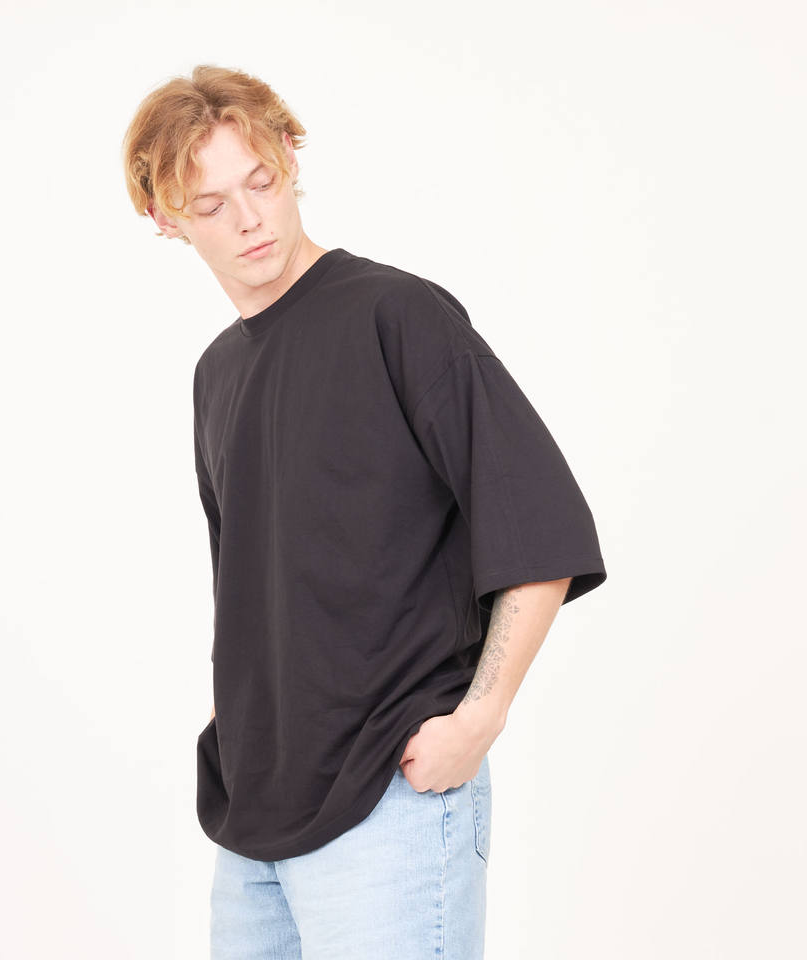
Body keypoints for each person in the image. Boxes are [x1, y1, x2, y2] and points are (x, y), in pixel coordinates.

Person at [122, 64, 607, 960]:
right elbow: (251, 588)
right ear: (165, 217)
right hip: (252, 822)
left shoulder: (397, 315)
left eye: (261, 181)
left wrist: (480, 719)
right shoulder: (217, 373)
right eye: (212, 203)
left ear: (290, 157)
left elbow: (540, 529)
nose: (250, 218)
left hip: (391, 802)